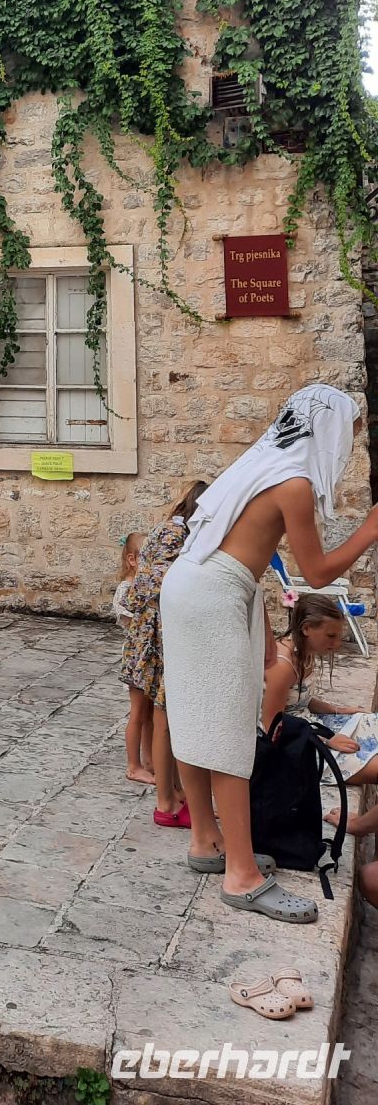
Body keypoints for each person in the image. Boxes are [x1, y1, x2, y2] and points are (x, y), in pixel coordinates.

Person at [159, 383, 378, 924]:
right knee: (232, 730)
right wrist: (371, 529)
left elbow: (240, 556)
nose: (347, 449)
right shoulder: (293, 483)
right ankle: (241, 874)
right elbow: (317, 572)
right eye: (346, 436)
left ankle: (206, 840)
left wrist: (254, 624)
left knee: (193, 716)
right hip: (214, 595)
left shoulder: (258, 465)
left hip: (190, 586)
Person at [121, 482, 208, 826]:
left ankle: (172, 789)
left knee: (162, 717)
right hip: (157, 636)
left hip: (154, 632)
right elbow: (155, 583)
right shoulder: (176, 533)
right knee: (162, 717)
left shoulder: (169, 529)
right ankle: (166, 801)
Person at [262, 592, 378, 786]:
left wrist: (339, 710)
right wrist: (326, 740)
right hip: (293, 742)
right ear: (306, 628)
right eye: (331, 636)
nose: (337, 644)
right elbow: (272, 726)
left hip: (311, 724)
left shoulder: (305, 650)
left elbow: (299, 700)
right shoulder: (282, 666)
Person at [114, 532, 152, 783]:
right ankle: (133, 765)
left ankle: (150, 760)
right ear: (132, 560)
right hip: (137, 659)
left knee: (150, 712)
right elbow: (134, 621)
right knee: (138, 712)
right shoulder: (127, 589)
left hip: (150, 658)